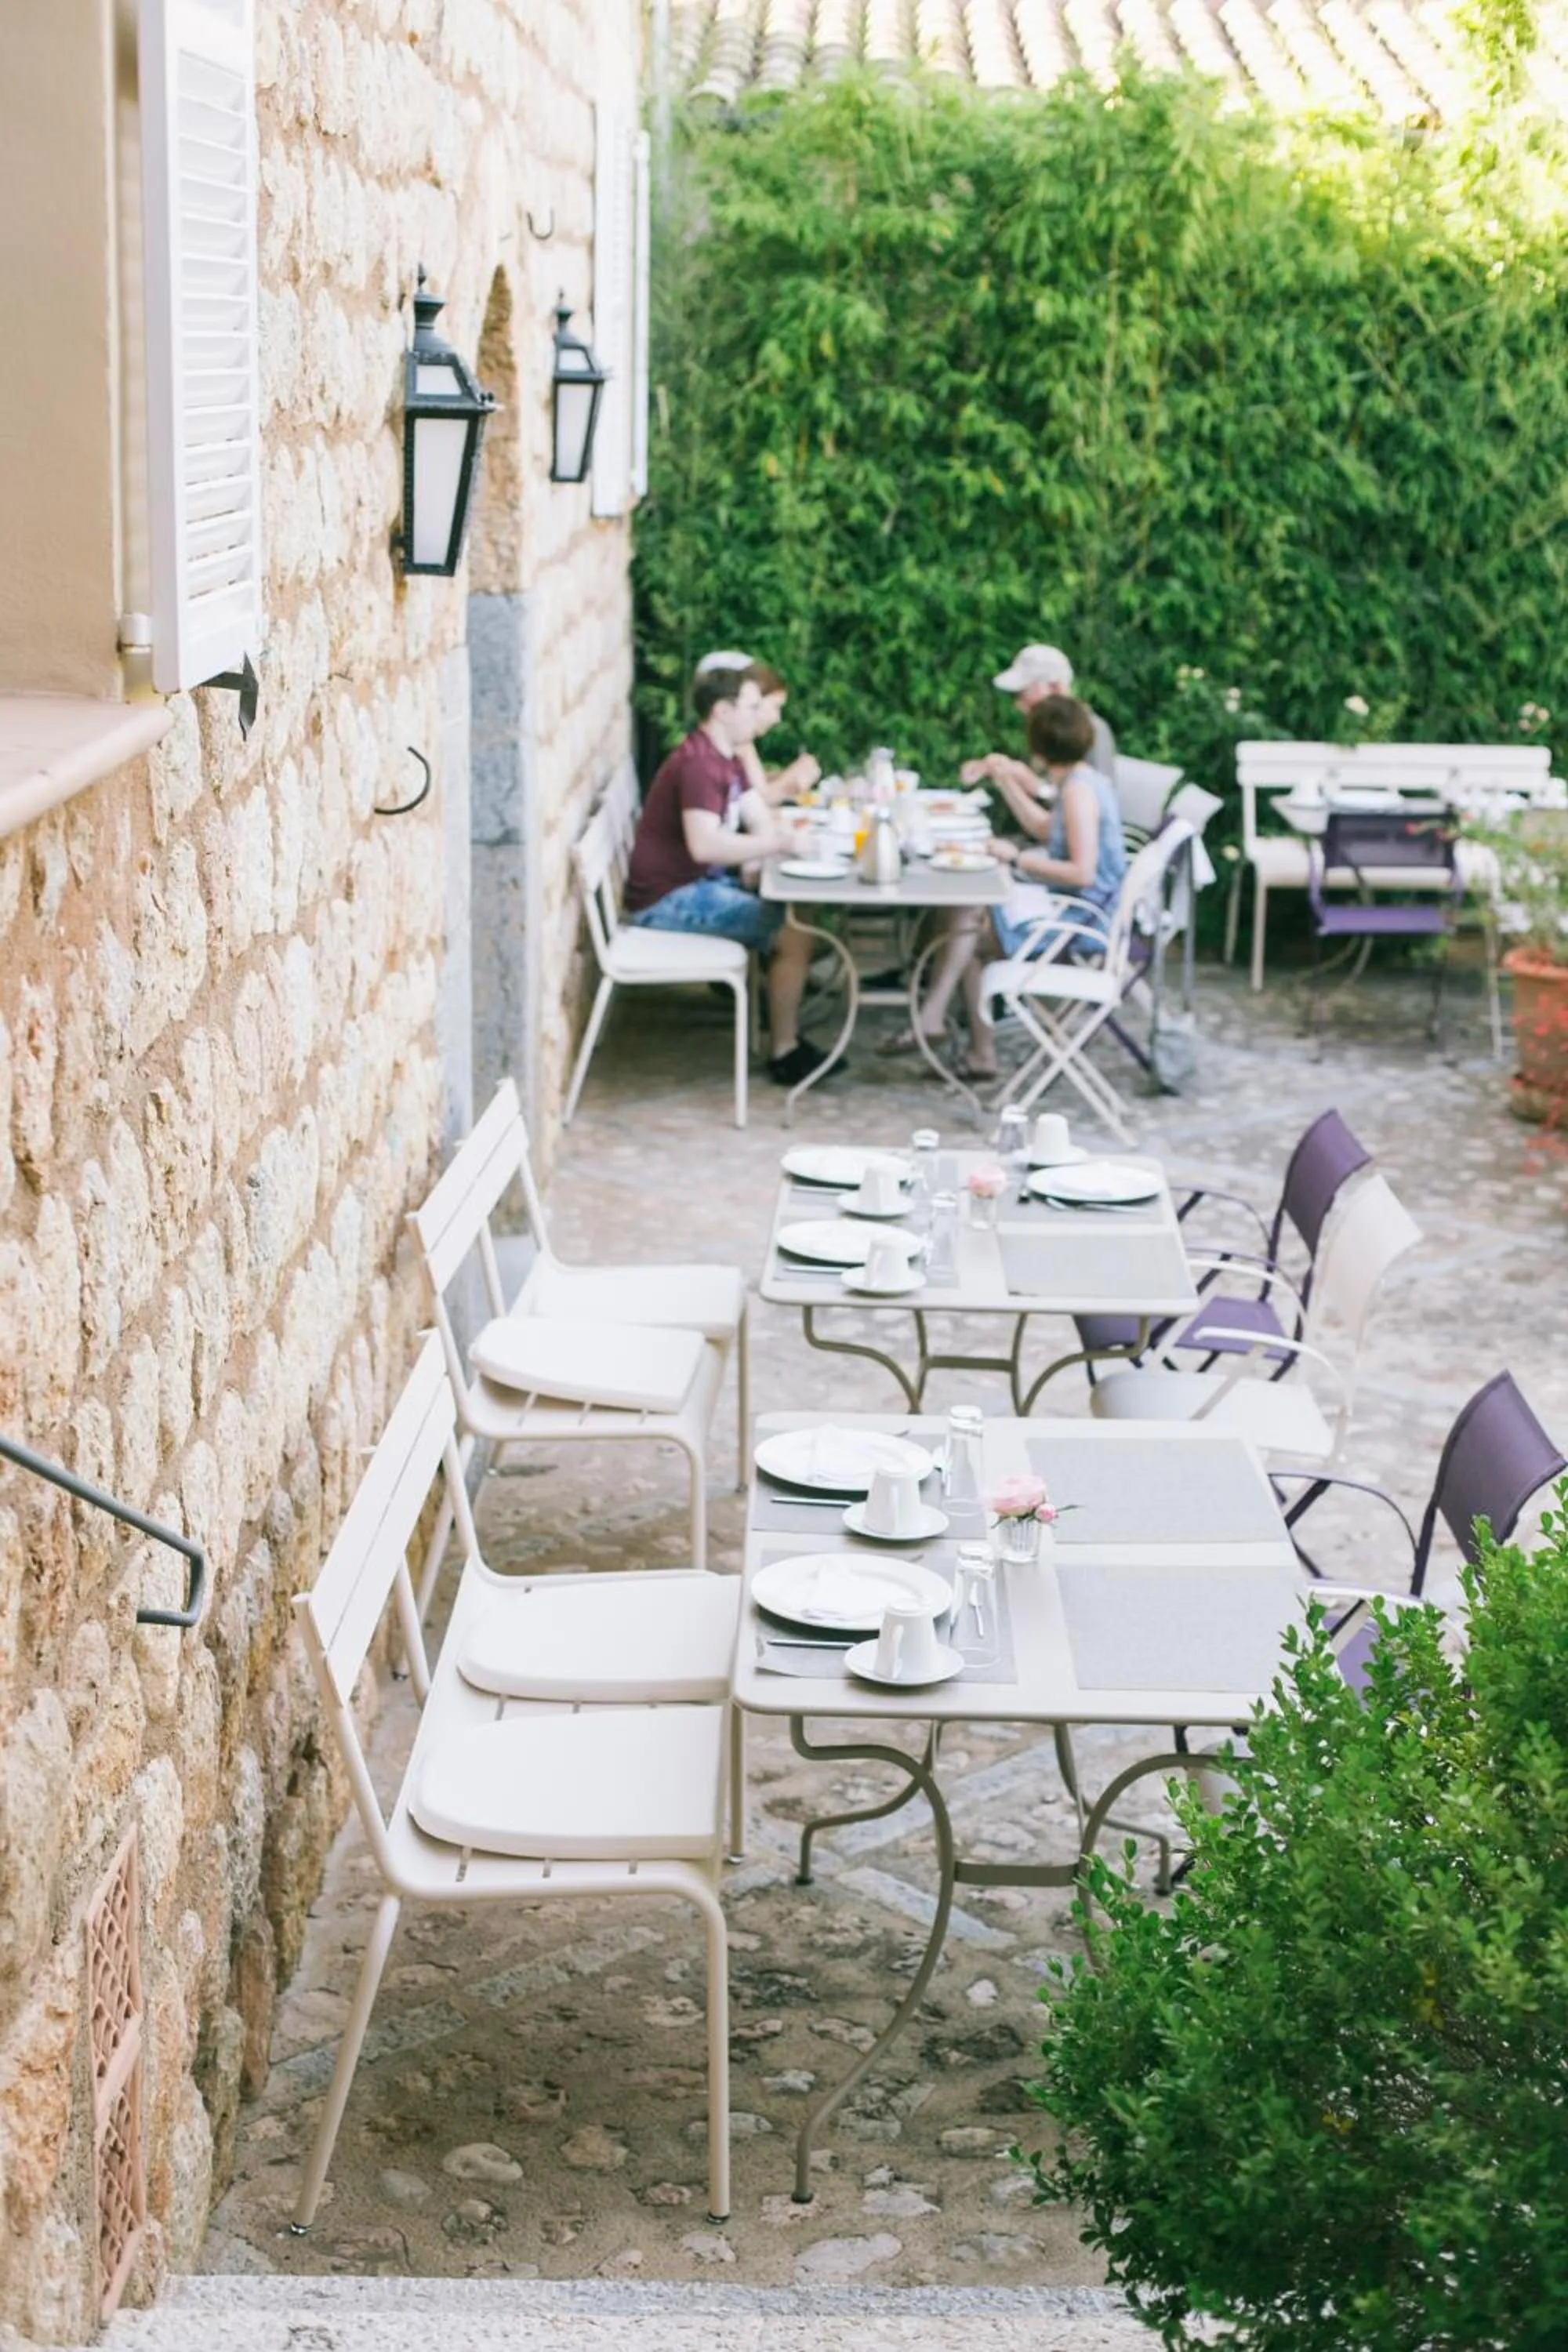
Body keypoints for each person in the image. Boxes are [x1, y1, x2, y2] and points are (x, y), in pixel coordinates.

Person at [626, 665, 832, 1087]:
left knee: (800, 913)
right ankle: (785, 1050)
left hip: (694, 884)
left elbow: (756, 813)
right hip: (666, 899)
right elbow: (705, 846)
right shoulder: (700, 764)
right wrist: (776, 846)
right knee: (795, 932)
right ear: (723, 710)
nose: (759, 716)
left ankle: (777, 1024)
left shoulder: (725, 757)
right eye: (752, 707)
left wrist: (779, 838)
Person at [909, 695, 1127, 1080]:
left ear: (1038, 746)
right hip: (1069, 906)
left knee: (966, 921)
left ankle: (943, 1023)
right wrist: (1007, 781)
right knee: (967, 918)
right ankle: (955, 1033)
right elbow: (1046, 829)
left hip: (1082, 919)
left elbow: (1082, 873)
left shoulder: (1079, 792)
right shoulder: (1080, 781)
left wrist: (1015, 858)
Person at [963, 645, 1117, 815]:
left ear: (1054, 687)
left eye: (1024, 693)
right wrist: (997, 770)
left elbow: (1094, 805)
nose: (1019, 704)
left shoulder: (1091, 731)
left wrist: (1037, 787)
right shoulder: (1047, 728)